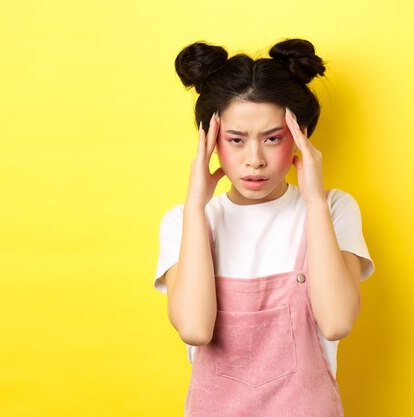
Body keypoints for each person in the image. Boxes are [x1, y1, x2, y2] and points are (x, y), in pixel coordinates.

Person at [154, 38, 375, 417]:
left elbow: (337, 322)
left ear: (300, 136)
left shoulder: (334, 209)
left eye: (273, 138)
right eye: (235, 140)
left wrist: (314, 201)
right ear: (210, 142)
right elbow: (194, 329)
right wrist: (195, 206)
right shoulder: (185, 220)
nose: (254, 160)